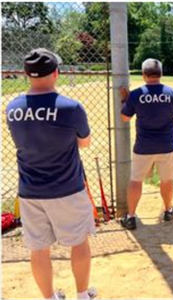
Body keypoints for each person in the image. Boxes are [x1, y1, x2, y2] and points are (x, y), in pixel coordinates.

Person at [6, 48, 97, 300]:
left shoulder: (13, 108)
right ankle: (82, 294)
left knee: (39, 248)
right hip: (67, 187)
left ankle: (49, 298)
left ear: (26, 74)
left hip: (30, 191)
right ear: (56, 73)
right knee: (78, 242)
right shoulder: (71, 107)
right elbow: (84, 143)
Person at [119, 58, 173, 230]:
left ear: (144, 75)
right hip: (167, 145)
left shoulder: (136, 94)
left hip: (143, 146)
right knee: (166, 180)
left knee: (136, 180)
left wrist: (124, 101)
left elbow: (124, 117)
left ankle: (130, 217)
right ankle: (168, 210)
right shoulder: (172, 93)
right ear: (161, 74)